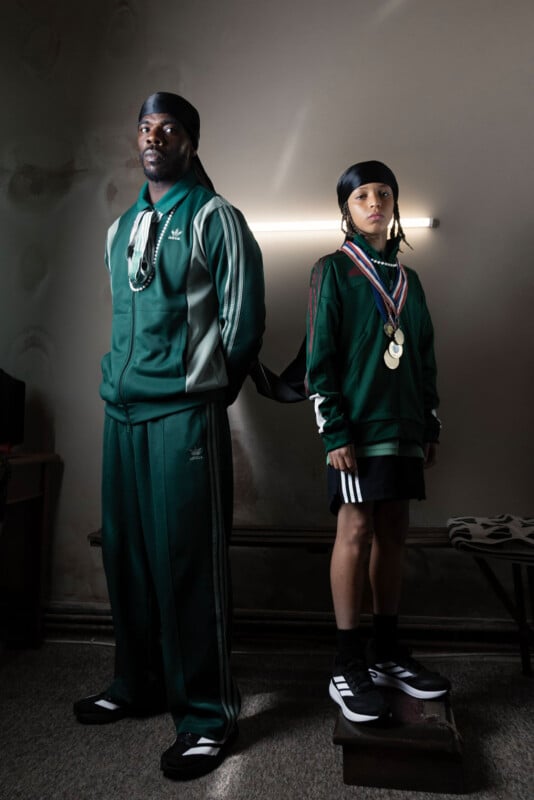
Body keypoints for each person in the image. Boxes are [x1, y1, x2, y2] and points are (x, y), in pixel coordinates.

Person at [73, 92, 265, 780]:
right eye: (146, 129)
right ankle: (137, 684)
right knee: (127, 556)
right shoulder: (120, 224)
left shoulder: (218, 218)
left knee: (189, 563)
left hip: (183, 417)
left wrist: (204, 399)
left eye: (170, 129)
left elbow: (243, 327)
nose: (155, 138)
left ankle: (208, 716)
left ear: (191, 142)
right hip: (120, 416)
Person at [306, 160, 450, 724]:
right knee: (356, 527)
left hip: (404, 430)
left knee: (394, 531)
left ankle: (386, 652)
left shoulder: (410, 282)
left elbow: (425, 357)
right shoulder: (333, 271)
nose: (374, 202)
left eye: (383, 193)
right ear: (346, 208)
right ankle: (348, 661)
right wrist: (333, 429)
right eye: (361, 195)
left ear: (394, 204)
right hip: (356, 433)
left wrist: (428, 424)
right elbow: (320, 358)